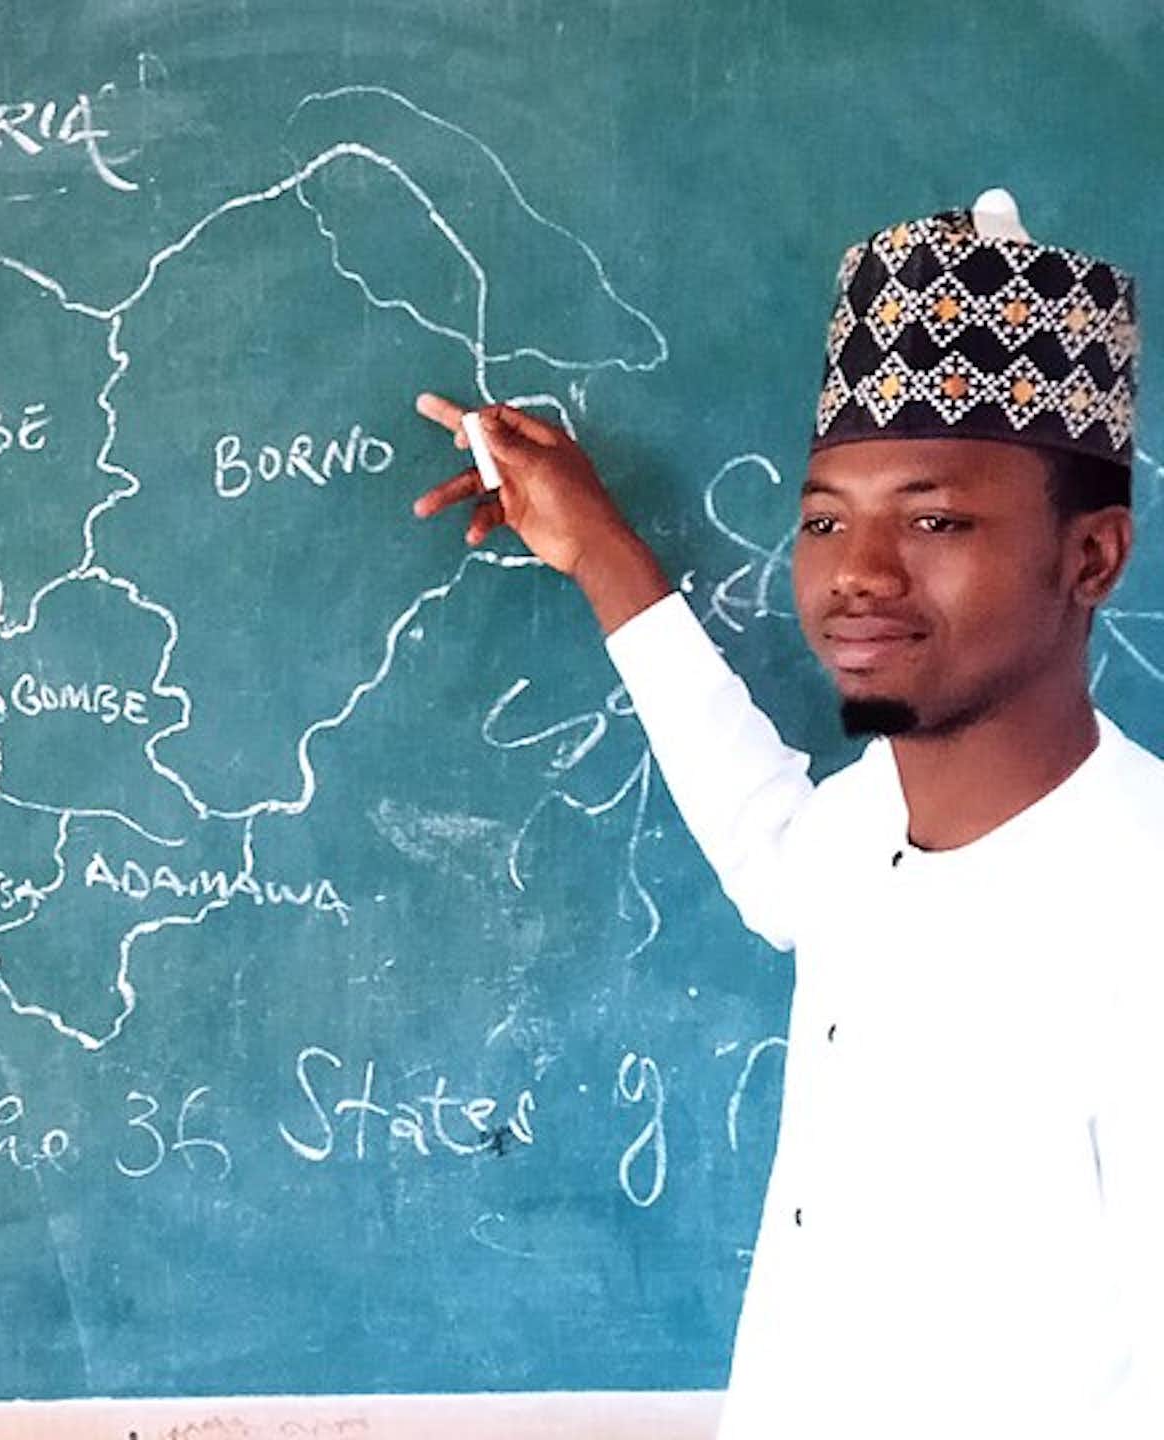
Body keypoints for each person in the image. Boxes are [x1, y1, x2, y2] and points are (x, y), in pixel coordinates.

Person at [410, 200, 1158, 1437]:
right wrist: (600, 552)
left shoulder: (1142, 911)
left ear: (1091, 559)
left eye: (934, 519)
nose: (858, 570)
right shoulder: (871, 827)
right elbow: (773, 853)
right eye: (824, 520)